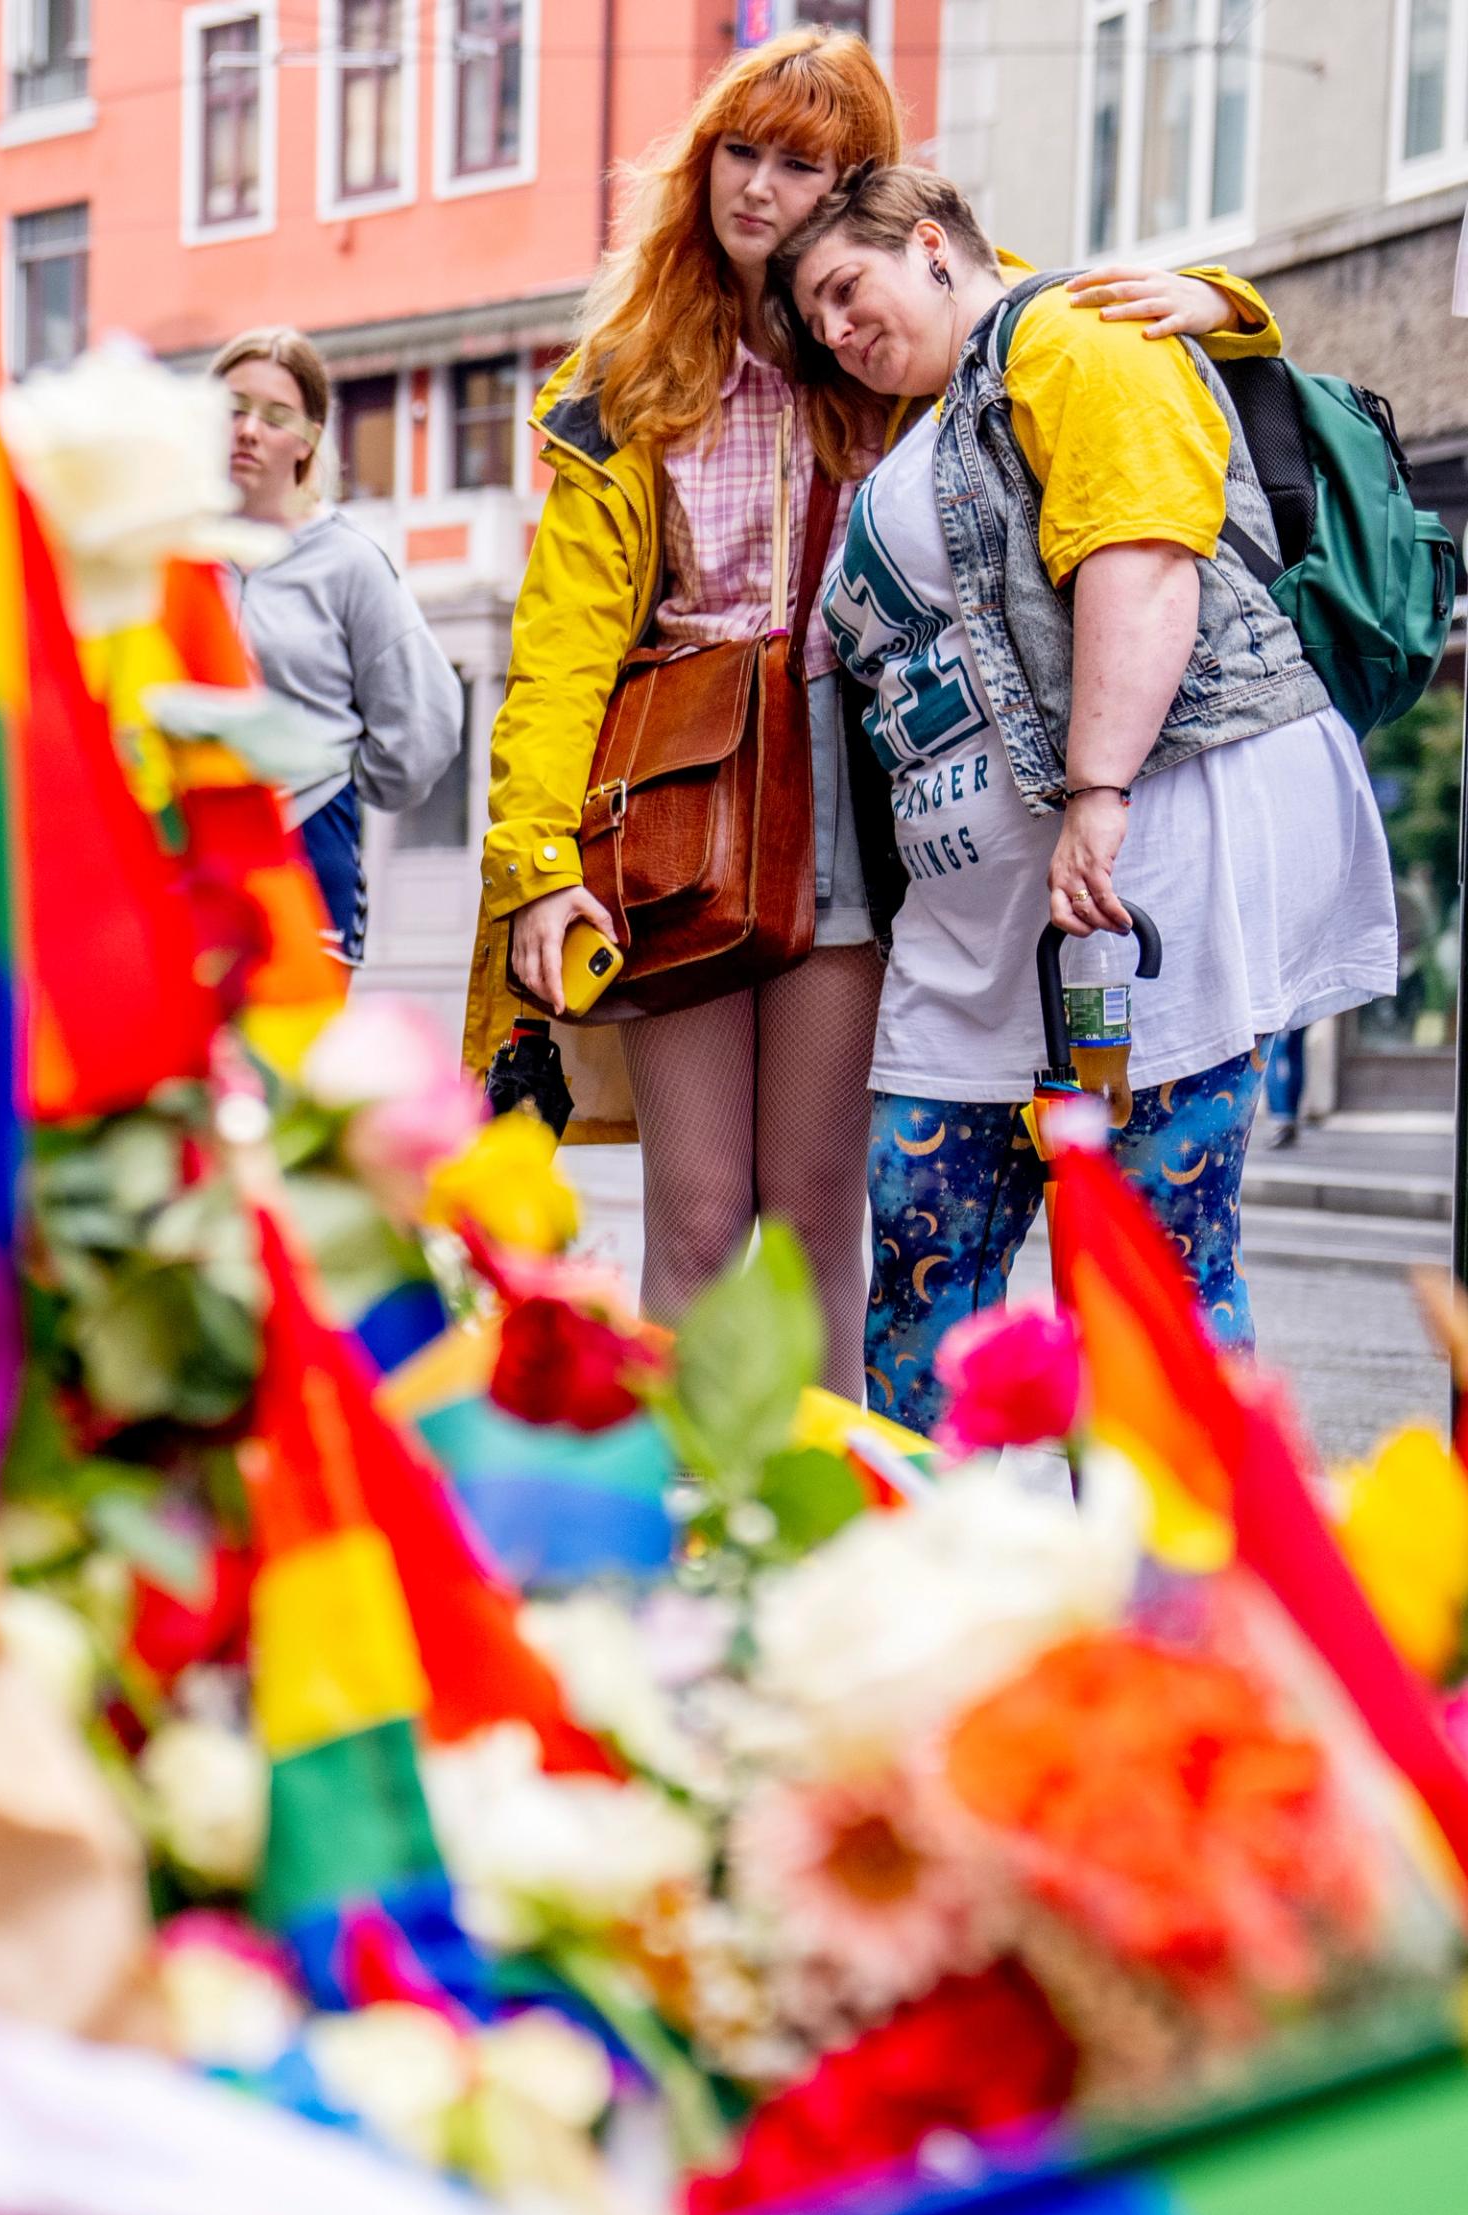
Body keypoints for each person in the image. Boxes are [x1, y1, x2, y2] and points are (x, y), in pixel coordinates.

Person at [466, 28, 1271, 1392]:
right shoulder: (623, 377)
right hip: (677, 803)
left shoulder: (883, 332)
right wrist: (537, 866)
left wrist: (1217, 300)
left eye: (802, 164)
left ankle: (838, 1538)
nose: (759, 189)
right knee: (700, 1211)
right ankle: (701, 1536)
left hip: (871, 796)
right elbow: (559, 651)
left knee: (821, 1209)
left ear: (857, 192)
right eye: (742, 151)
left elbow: (1044, 320)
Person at [776, 166, 1395, 1425]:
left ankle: (1164, 1604)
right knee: (919, 1279)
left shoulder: (1069, 336)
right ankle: (925, 1601)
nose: (837, 333)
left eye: (848, 288)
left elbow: (1145, 554)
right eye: (817, 321)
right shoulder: (936, 421)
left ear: (935, 246)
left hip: (1140, 870)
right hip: (976, 938)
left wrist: (1100, 789)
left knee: (1149, 1280)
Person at [211, 327, 462, 965]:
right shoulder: (171, 549)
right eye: (233, 407)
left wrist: (332, 780)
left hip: (306, 848)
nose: (247, 429)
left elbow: (424, 725)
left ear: (309, 439)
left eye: (275, 417)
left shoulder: (349, 561)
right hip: (187, 849)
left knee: (295, 1063)